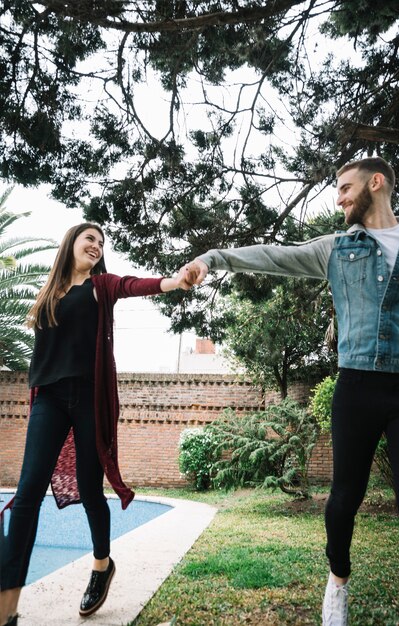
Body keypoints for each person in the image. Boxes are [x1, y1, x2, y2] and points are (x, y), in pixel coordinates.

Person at [183, 156, 399, 626]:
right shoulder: (335, 248)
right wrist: (213, 258)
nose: (340, 198)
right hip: (356, 387)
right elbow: (274, 255)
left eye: (346, 188)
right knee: (342, 501)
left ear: (377, 183)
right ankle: (338, 581)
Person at [0, 222, 195, 626]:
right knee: (27, 494)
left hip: (89, 399)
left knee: (91, 488)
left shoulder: (100, 286)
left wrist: (173, 282)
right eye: (90, 238)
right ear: (70, 242)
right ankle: (6, 610)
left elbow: (132, 284)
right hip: (49, 399)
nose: (96, 245)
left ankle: (102, 565)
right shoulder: (47, 296)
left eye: (101, 243)